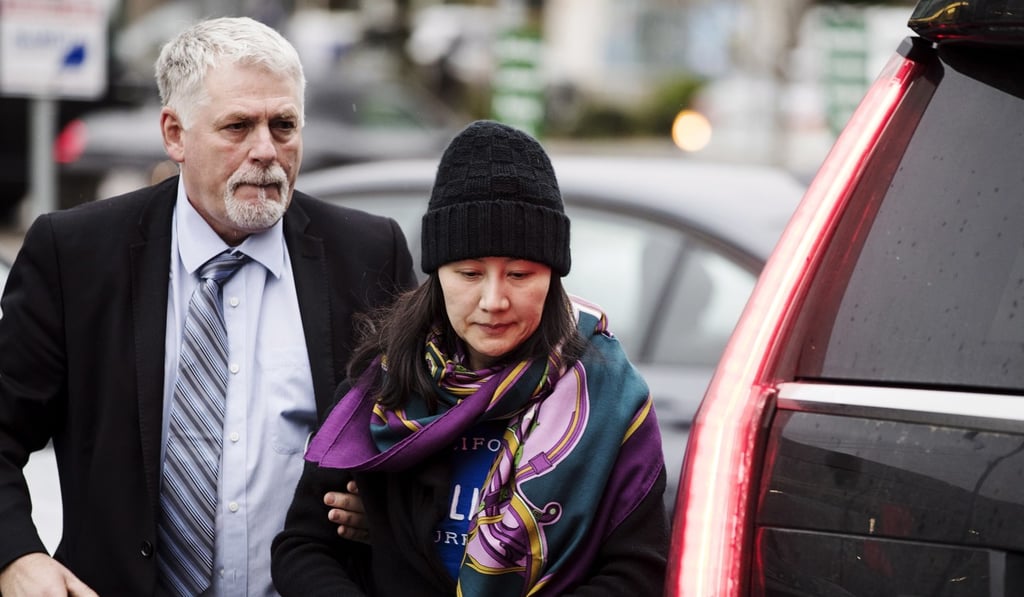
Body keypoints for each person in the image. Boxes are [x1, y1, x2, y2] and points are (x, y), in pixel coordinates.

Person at [0, 16, 416, 597]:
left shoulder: (369, 252)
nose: (266, 152)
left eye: (284, 125)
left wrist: (394, 517)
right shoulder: (76, 256)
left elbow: (421, 433)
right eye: (238, 126)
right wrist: (16, 557)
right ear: (175, 134)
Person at [271, 120, 669, 596]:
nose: (493, 300)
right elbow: (303, 547)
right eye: (469, 273)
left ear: (554, 275)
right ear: (437, 273)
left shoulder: (610, 400)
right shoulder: (386, 385)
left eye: (520, 274)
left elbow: (636, 573)